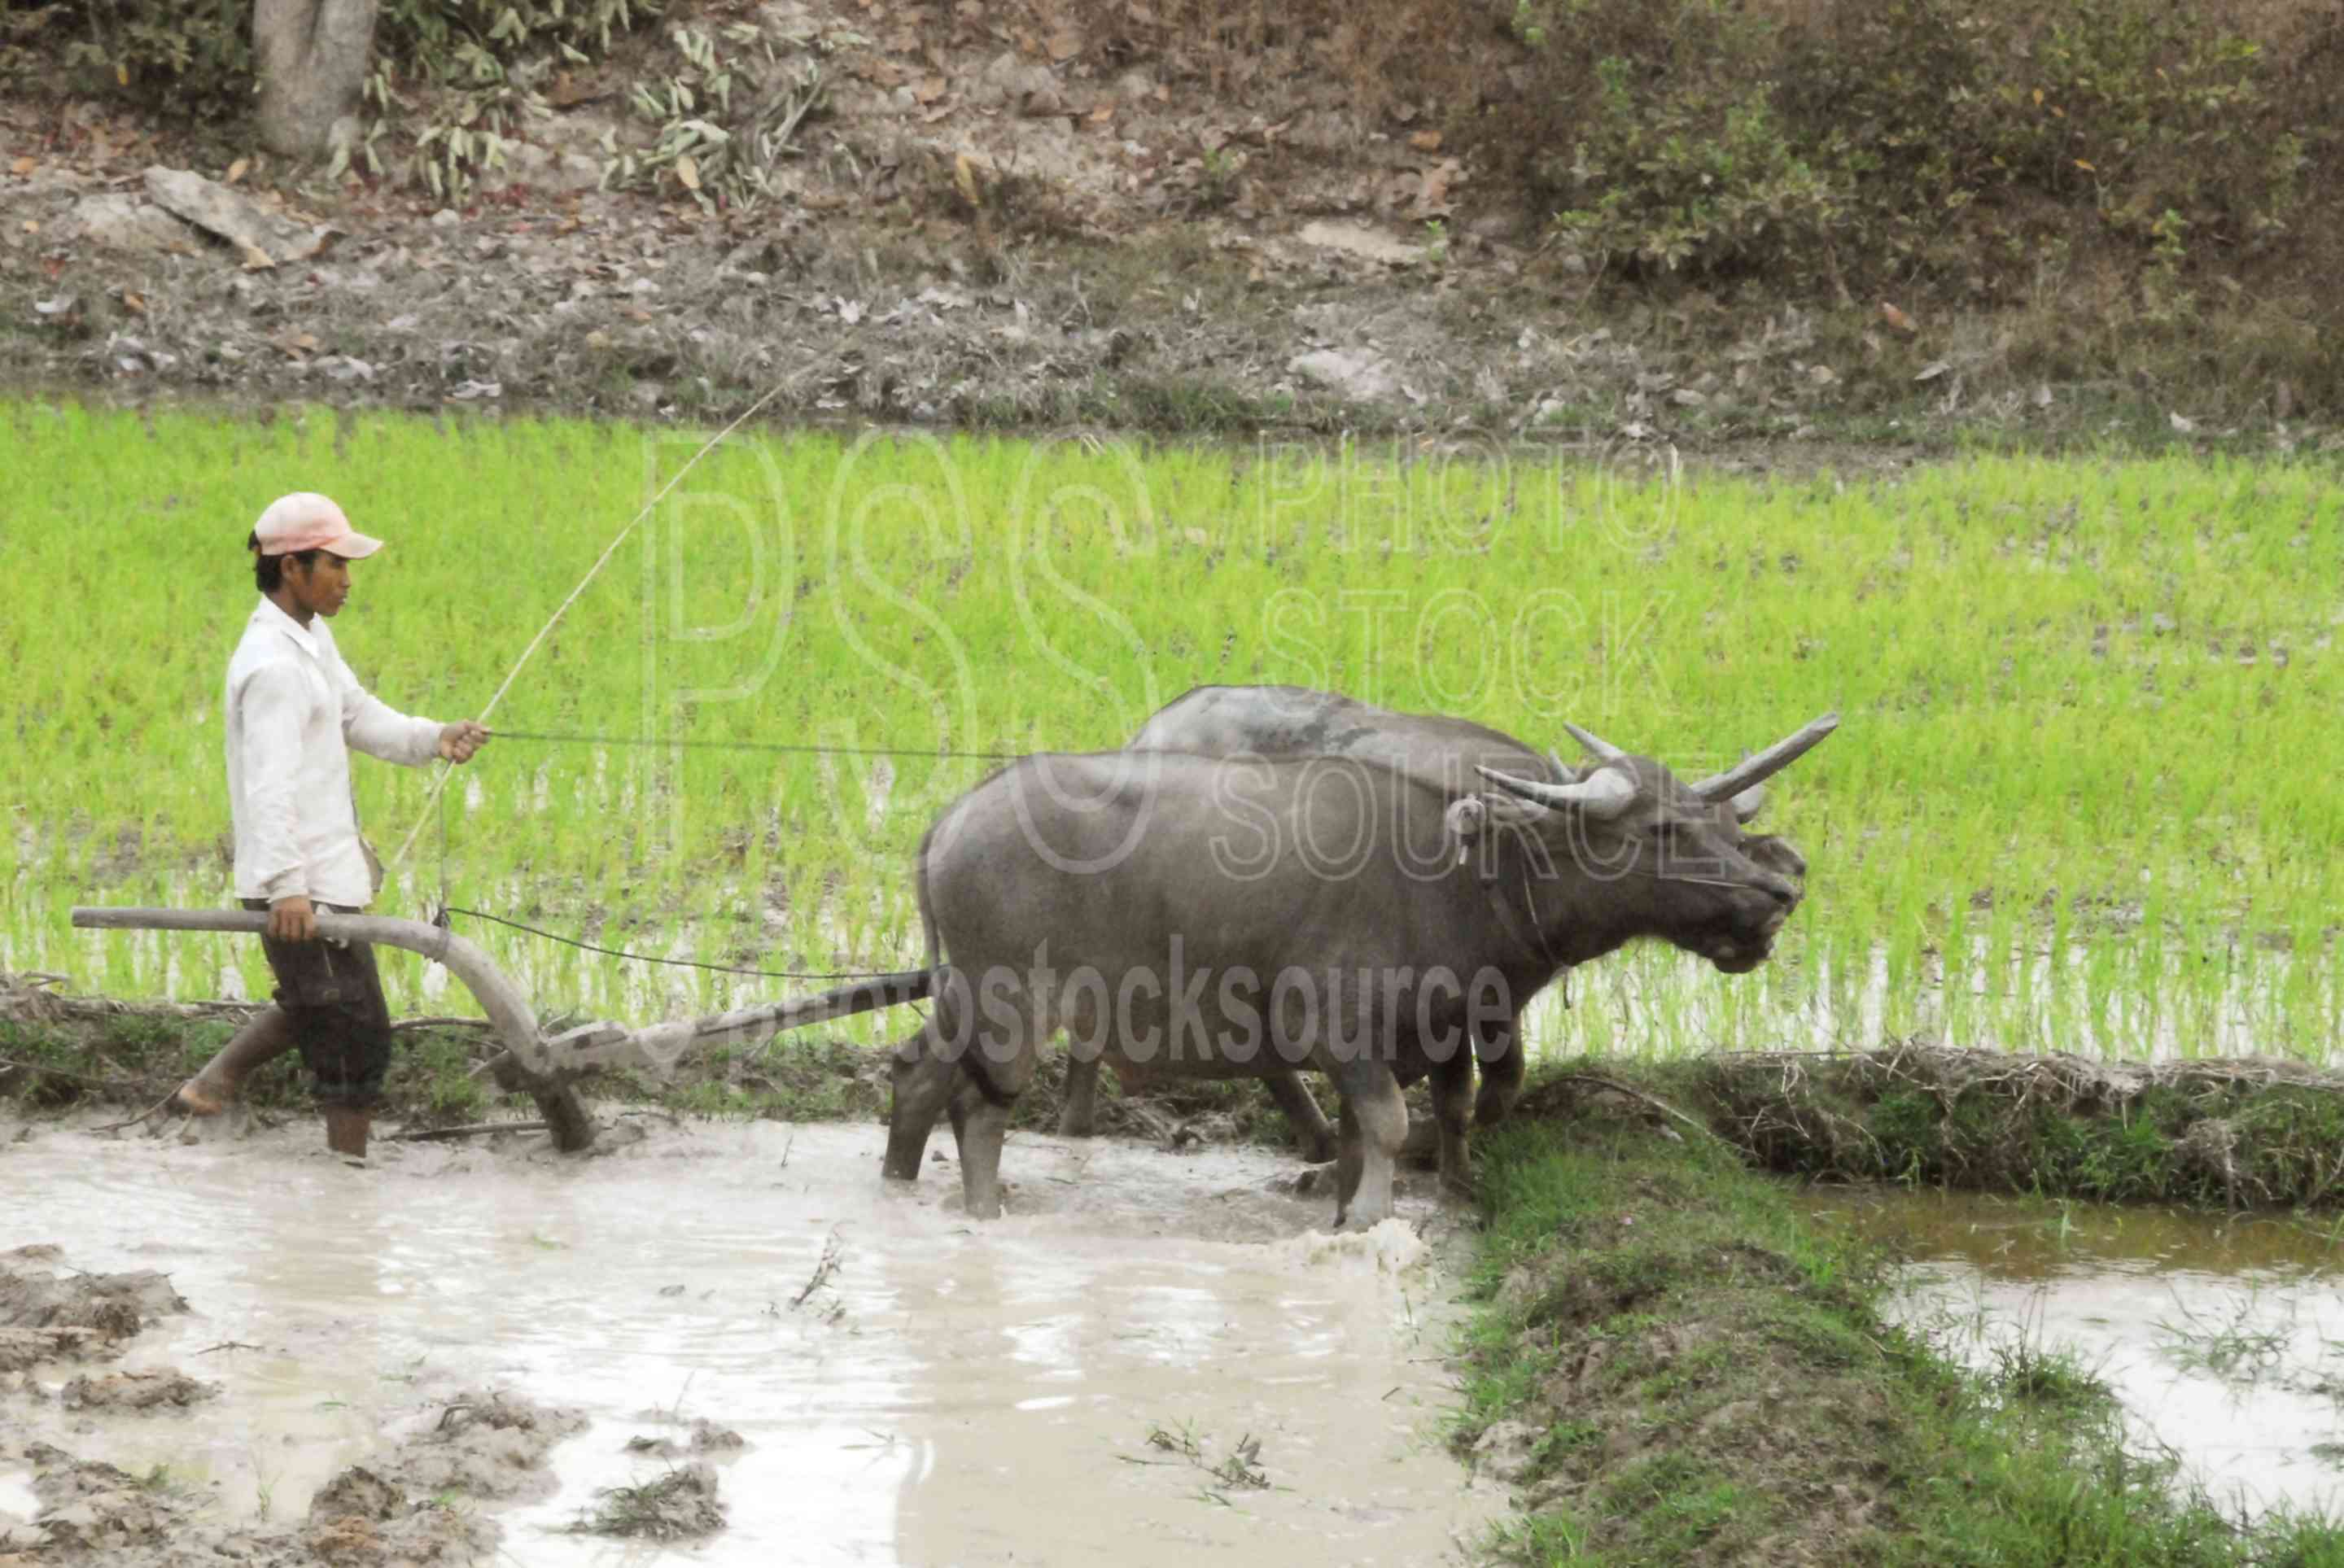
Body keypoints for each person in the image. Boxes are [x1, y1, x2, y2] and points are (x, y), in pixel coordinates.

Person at [169, 492, 489, 1160]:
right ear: (292, 568)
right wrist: (287, 887)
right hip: (296, 880)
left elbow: (357, 712)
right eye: (335, 565)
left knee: (344, 1017)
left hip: (326, 871)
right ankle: (336, 1168)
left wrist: (435, 737)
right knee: (345, 1021)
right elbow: (268, 786)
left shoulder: (312, 641)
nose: (347, 580)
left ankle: (246, 1098)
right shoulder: (274, 668)